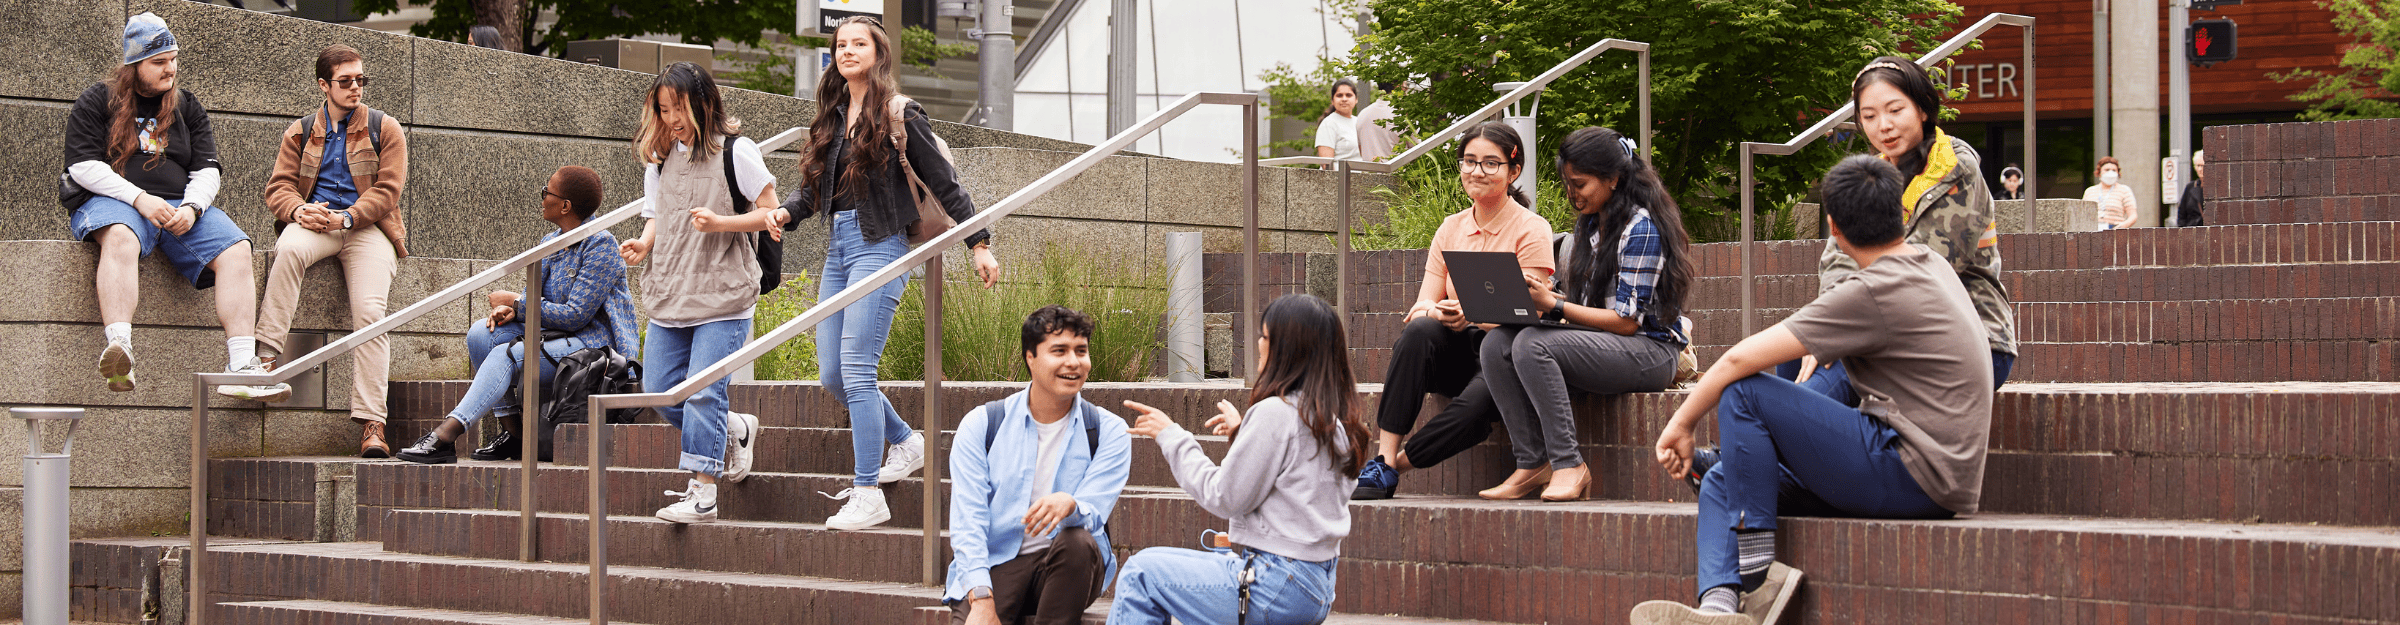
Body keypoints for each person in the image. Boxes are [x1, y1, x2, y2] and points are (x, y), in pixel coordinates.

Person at [1635, 155, 1994, 624]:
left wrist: (1681, 424)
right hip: (1931, 471)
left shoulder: (1876, 289)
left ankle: (1757, 577)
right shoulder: (1929, 262)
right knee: (1727, 480)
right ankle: (1720, 609)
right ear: (1900, 215)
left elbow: (1739, 360)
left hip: (1913, 470)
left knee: (1745, 391)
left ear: (1833, 228)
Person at [778, 16, 1001, 530]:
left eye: (859, 44)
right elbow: (815, 189)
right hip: (840, 249)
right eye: (841, 44)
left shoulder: (900, 113)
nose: (847, 50)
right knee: (832, 373)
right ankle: (905, 440)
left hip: (883, 246)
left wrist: (979, 244)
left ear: (879, 55)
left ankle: (867, 492)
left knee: (857, 369)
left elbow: (946, 184)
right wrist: (785, 213)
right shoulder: (833, 116)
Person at [60, 13, 289, 403]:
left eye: (173, 58)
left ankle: (241, 365)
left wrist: (193, 208)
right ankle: (120, 348)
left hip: (178, 205)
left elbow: (208, 168)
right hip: (114, 203)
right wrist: (138, 198)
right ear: (134, 66)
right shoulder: (97, 100)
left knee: (237, 250)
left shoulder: (187, 105)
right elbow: (82, 166)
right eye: (159, 61)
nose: (171, 68)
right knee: (120, 236)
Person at [1114, 294, 1366, 625]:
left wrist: (1171, 435)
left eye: (1263, 336)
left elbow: (1224, 497)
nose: (1258, 344)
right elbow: (1296, 471)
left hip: (1275, 584)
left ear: (1283, 348)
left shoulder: (1276, 414)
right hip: (1314, 587)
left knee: (1140, 573)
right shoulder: (1334, 419)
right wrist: (1242, 432)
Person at [1481, 127, 1694, 502]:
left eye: (1579, 184)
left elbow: (1628, 323)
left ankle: (1568, 465)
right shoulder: (1591, 226)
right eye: (1567, 183)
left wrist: (1556, 306)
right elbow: (1587, 308)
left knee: (1532, 345)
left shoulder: (1641, 228)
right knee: (1496, 343)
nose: (1571, 194)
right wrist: (1545, 295)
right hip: (1606, 344)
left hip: (1650, 352)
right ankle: (1533, 462)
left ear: (1613, 179)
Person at [618, 62, 787, 524]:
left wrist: (722, 223)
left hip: (723, 293)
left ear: (703, 102)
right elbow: (657, 215)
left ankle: (703, 493)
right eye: (664, 109)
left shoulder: (737, 151)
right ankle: (734, 430)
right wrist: (644, 242)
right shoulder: (661, 158)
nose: (671, 118)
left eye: (679, 107)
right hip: (672, 288)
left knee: (703, 393)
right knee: (658, 392)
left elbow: (774, 214)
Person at [1349, 122, 1554, 501]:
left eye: (1490, 164)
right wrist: (1438, 312)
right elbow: (1422, 305)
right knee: (1418, 333)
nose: (1477, 171)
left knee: (1473, 410)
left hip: (1505, 354)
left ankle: (1393, 467)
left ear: (1514, 171)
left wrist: (1474, 314)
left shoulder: (1532, 228)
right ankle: (1383, 454)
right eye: (1469, 161)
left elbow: (1530, 310)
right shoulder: (1450, 228)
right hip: (1459, 349)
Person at [1789, 57, 2018, 393]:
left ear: (1923, 109)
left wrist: (1842, 330)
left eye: (1895, 110)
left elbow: (1923, 273)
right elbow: (1838, 259)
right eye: (1869, 116)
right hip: (1880, 324)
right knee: (1790, 354)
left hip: (1970, 340)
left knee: (1822, 378)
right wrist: (1827, 329)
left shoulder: (1956, 168)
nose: (1884, 125)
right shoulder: (1870, 175)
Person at [397, 166, 635, 464]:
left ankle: (447, 434)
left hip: (591, 346)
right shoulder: (551, 242)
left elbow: (576, 316)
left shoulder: (601, 244)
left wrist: (518, 302)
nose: (542, 197)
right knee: (481, 336)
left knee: (504, 355)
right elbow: (533, 298)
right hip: (555, 335)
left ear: (565, 205)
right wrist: (510, 311)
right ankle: (514, 435)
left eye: (547, 191)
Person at [257, 44, 412, 457]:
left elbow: (389, 191)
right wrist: (299, 209)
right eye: (346, 81)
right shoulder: (302, 130)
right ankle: (264, 361)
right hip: (317, 222)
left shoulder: (385, 128)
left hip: (367, 228)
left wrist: (347, 218)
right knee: (287, 251)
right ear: (324, 85)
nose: (356, 87)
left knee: (370, 315)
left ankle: (373, 425)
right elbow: (278, 188)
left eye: (361, 79)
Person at [943, 305, 1132, 625]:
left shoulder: (1107, 430)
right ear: (1030, 358)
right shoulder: (983, 424)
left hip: (1069, 568)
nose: (1073, 362)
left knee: (1077, 540)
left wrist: (1070, 504)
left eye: (1081, 351)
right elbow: (968, 519)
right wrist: (981, 596)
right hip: (998, 563)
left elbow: (1094, 511)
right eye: (1059, 350)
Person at [2083, 156, 2138, 230]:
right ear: (2099, 173)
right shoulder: (2090, 191)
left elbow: (2133, 215)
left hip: (2115, 229)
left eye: (2114, 170)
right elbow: (2082, 214)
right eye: (2107, 170)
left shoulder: (2124, 190)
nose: (2110, 172)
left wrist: (2122, 226)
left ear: (2118, 173)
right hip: (2092, 230)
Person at [1313, 79, 1361, 160]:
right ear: (1332, 100)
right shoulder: (1328, 124)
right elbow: (1327, 164)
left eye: (1349, 95)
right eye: (1339, 95)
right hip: (1339, 172)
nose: (1344, 99)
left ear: (1356, 99)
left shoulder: (1359, 122)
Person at [1353, 82, 1399, 162]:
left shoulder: (1363, 114)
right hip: (1398, 173)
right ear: (1399, 85)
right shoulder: (1403, 115)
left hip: (1369, 172)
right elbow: (1417, 152)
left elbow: (1361, 150)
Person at [2176, 151, 2206, 227]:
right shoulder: (2190, 187)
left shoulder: (2216, 187)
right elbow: (2181, 214)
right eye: (2198, 166)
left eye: (2202, 166)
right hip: (2191, 231)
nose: (2200, 169)